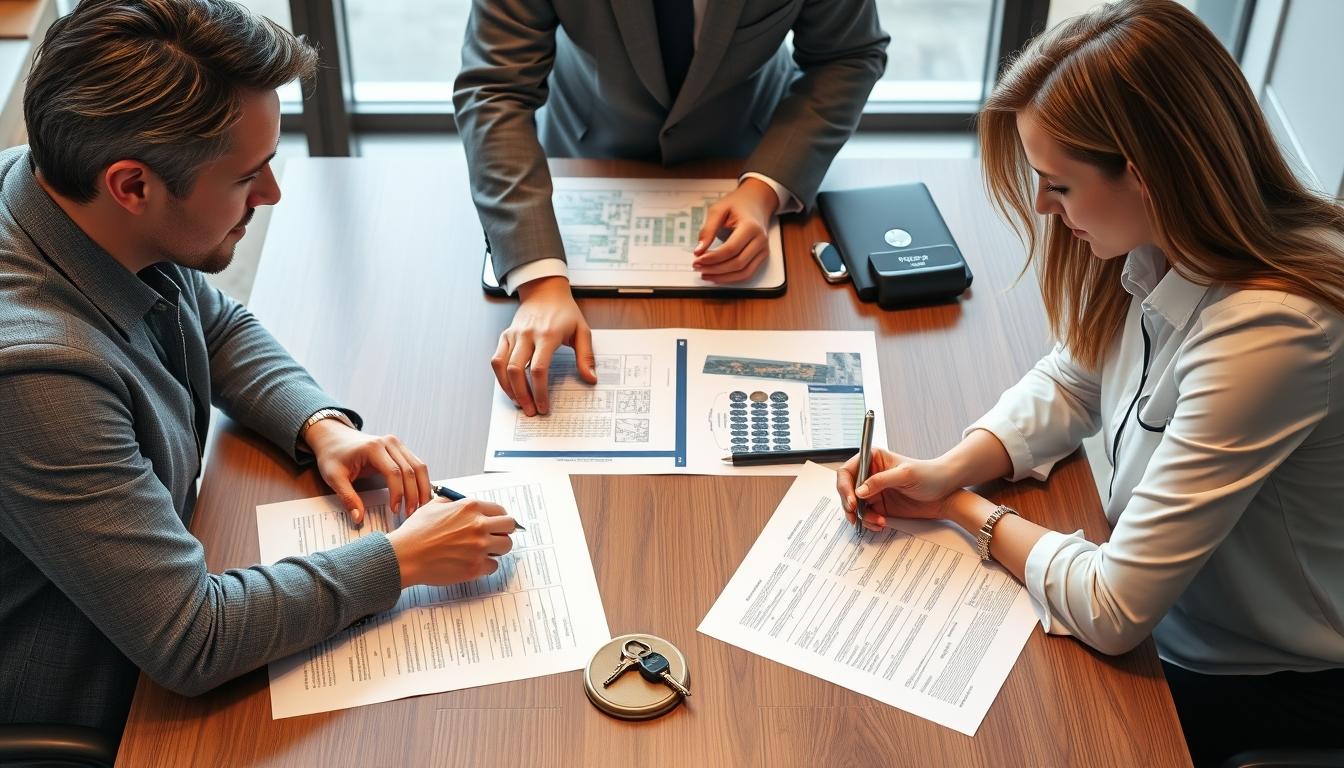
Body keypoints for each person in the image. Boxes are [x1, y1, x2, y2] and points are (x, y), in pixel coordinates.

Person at [835, 1, 1344, 765]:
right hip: (1174, 620)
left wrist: (962, 510)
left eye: (1059, 186)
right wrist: (948, 465)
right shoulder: (1160, 250)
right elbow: (1076, 378)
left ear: (1143, 178)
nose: (1042, 205)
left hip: (1255, 679)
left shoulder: (1271, 329)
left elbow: (1112, 610)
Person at [0, 0, 518, 741]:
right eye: (248, 177)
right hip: (100, 704)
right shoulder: (36, 381)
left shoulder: (50, 189)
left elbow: (213, 321)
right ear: (133, 186)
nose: (272, 194)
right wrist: (402, 559)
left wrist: (320, 423)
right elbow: (192, 638)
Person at [453, 0, 889, 417]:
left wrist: (765, 187)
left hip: (748, 147)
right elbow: (495, 89)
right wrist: (540, 282)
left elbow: (848, 54)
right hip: (589, 150)